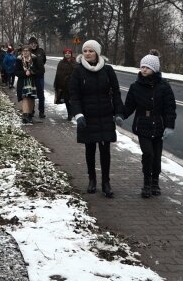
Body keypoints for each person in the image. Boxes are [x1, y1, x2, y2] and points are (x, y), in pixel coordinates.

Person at [69, 40, 123, 198]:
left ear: (97, 53)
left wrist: (119, 112)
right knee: (90, 149)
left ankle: (106, 182)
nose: (87, 53)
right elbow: (74, 95)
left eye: (91, 51)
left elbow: (117, 92)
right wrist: (78, 114)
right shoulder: (78, 71)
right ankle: (92, 180)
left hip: (105, 115)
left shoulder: (108, 70)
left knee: (105, 150)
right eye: (85, 51)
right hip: (87, 117)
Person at [123, 51, 176, 198]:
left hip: (158, 125)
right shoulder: (135, 87)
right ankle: (146, 183)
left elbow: (170, 108)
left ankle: (155, 182)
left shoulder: (164, 86)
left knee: (157, 156)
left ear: (155, 69)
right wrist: (120, 115)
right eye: (142, 67)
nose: (144, 69)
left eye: (147, 67)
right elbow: (128, 106)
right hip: (143, 125)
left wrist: (170, 125)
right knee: (148, 154)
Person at [14, 45, 39, 124]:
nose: (25, 52)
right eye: (24, 51)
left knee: (31, 98)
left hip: (33, 82)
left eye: (27, 50)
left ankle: (30, 115)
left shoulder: (35, 59)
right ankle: (25, 116)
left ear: (30, 51)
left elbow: (40, 70)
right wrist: (25, 73)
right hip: (23, 82)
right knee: (24, 97)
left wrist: (31, 72)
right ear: (21, 52)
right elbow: (16, 72)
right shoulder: (18, 60)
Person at [53, 48, 77, 120]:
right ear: (64, 54)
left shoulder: (75, 62)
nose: (67, 54)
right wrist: (57, 84)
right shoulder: (61, 63)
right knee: (66, 100)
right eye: (66, 53)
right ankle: (69, 114)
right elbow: (58, 74)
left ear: (71, 54)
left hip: (73, 84)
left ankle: (74, 112)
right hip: (64, 85)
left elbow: (77, 73)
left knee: (73, 100)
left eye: (69, 53)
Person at [28, 37, 47, 118]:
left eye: (35, 43)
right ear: (29, 44)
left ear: (37, 44)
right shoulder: (27, 52)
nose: (33, 45)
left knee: (41, 95)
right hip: (31, 77)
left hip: (40, 76)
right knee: (31, 94)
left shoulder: (41, 51)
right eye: (31, 43)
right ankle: (31, 111)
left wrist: (39, 68)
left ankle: (41, 112)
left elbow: (44, 60)